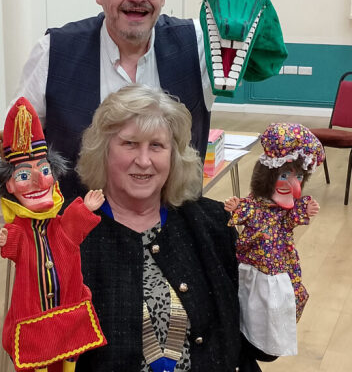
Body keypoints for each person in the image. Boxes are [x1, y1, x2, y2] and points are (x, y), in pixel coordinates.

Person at [73, 85, 275, 371]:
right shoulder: (72, 234)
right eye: (129, 143)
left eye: (157, 146)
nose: (143, 161)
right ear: (103, 151)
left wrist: (272, 280)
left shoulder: (213, 222)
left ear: (174, 156)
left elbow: (258, 345)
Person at [10, 0, 215, 204]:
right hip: (76, 232)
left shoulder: (199, 44)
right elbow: (17, 141)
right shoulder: (53, 51)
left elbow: (260, 53)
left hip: (175, 229)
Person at [0, 97, 106, 372]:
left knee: (69, 349)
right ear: (9, 185)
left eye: (44, 171)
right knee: (37, 353)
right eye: (24, 175)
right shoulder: (20, 229)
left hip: (67, 304)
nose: (39, 181)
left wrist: (86, 208)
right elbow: (15, 247)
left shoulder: (58, 225)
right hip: (34, 311)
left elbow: (71, 229)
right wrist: (7, 240)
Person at [224, 123, 324, 357]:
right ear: (268, 174)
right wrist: (236, 206)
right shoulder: (254, 205)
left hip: (280, 265)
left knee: (278, 301)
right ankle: (251, 334)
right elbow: (243, 210)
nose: (294, 184)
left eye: (299, 176)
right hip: (253, 263)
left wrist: (306, 209)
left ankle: (268, 339)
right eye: (285, 175)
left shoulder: (286, 211)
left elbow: (291, 218)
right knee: (251, 299)